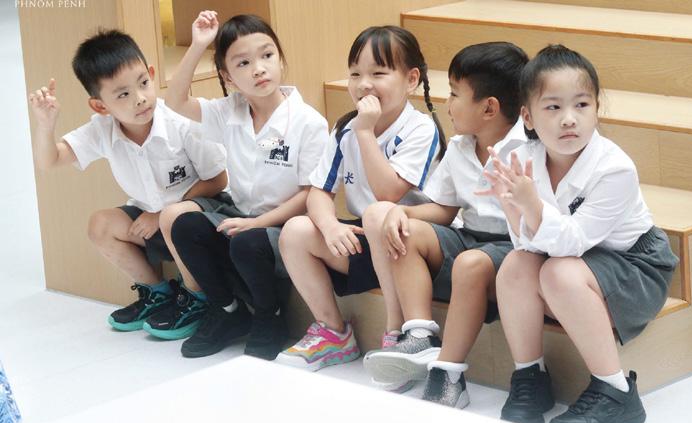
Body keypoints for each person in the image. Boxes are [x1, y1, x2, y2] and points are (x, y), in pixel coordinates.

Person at [485, 45, 678, 423]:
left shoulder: (615, 168)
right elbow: (527, 247)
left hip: (635, 268)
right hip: (577, 266)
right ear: (527, 116)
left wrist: (529, 204)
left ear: (596, 109)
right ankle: (530, 378)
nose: (569, 119)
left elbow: (571, 243)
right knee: (516, 265)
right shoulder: (522, 157)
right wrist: (511, 206)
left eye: (582, 105)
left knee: (559, 272)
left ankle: (616, 392)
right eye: (553, 107)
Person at [27, 30, 228, 333]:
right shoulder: (103, 129)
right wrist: (45, 126)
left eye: (143, 83)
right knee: (101, 225)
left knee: (173, 218)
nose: (140, 99)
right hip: (153, 222)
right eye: (123, 95)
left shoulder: (181, 121)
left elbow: (218, 180)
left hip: (199, 220)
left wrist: (161, 214)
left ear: (151, 74)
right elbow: (49, 161)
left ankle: (197, 298)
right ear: (100, 106)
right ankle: (158, 293)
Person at [363, 42, 529, 403]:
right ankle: (420, 334)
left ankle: (450, 375)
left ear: (489, 108)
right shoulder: (459, 146)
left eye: (454, 94)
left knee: (471, 263)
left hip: (514, 247)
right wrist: (402, 213)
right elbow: (443, 209)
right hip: (469, 237)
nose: (446, 102)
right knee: (404, 229)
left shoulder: (530, 148)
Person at [275, 25, 444, 372]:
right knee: (295, 230)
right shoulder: (346, 129)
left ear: (411, 80)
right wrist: (329, 227)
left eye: (378, 73)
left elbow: (388, 193)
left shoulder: (420, 128)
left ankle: (397, 332)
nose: (364, 84)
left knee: (379, 212)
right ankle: (333, 333)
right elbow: (320, 192)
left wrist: (365, 131)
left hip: (412, 246)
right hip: (369, 239)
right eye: (355, 74)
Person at [164, 11, 328, 359]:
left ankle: (271, 317)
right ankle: (229, 312)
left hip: (286, 226)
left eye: (267, 55)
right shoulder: (229, 111)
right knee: (185, 226)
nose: (259, 69)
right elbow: (174, 101)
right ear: (227, 75)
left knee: (247, 242)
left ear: (280, 58)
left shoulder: (308, 122)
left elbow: (309, 195)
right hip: (240, 215)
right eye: (243, 63)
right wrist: (198, 45)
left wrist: (258, 223)